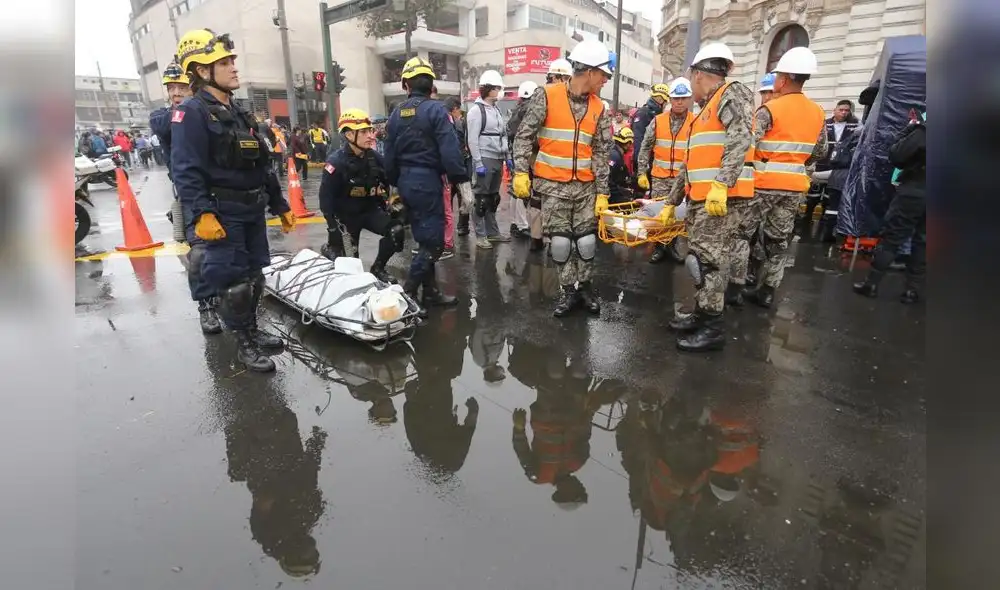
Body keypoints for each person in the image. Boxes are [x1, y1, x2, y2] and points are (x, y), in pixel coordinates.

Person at [171, 28, 296, 373]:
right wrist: (201, 214)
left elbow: (262, 163)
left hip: (251, 209)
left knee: (255, 277)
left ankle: (252, 329)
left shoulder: (239, 113)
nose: (233, 67)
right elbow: (185, 169)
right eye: (224, 63)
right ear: (201, 70)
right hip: (222, 213)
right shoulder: (191, 113)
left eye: (231, 61)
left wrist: (280, 204)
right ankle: (242, 342)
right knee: (234, 283)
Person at [661, 42, 756, 352]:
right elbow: (691, 164)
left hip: (720, 201)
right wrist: (671, 202)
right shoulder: (706, 110)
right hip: (703, 202)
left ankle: (713, 328)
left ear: (699, 74)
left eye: (691, 79)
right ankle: (702, 315)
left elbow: (741, 138)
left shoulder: (731, 93)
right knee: (700, 261)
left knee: (709, 264)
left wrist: (721, 184)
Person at [512, 38, 614, 317]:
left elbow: (601, 153)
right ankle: (568, 292)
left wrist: (603, 192)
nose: (605, 81)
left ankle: (586, 288)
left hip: (586, 188)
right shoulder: (547, 95)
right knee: (560, 243)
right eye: (604, 75)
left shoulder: (600, 108)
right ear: (590, 71)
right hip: (553, 187)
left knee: (586, 242)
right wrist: (521, 172)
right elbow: (523, 137)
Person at [736, 47, 827, 309]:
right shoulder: (818, 112)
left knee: (742, 234)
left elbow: (746, 146)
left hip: (762, 185)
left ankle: (736, 286)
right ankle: (767, 291)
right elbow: (819, 151)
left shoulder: (769, 110)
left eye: (777, 76)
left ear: (784, 79)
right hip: (793, 187)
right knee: (778, 241)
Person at [384, 56, 469, 313]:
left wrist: (394, 184)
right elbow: (450, 149)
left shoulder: (396, 114)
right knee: (434, 244)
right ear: (431, 84)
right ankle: (408, 294)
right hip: (428, 181)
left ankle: (430, 292)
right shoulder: (436, 111)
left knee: (424, 239)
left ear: (406, 85)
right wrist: (462, 181)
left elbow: (389, 154)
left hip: (406, 181)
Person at [149, 60, 223, 333]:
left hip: (223, 190)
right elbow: (164, 125)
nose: (177, 93)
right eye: (172, 88)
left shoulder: (212, 110)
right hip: (191, 193)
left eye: (182, 87)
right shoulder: (165, 116)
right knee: (200, 252)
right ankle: (206, 305)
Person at [317, 108, 404, 284]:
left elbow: (392, 175)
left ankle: (378, 269)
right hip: (346, 218)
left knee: (396, 231)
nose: (371, 135)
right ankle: (332, 250)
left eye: (370, 130)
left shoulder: (374, 157)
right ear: (349, 135)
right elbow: (325, 200)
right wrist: (333, 227)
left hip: (369, 211)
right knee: (352, 271)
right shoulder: (336, 163)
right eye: (364, 132)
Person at [853, 112, 925, 302]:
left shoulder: (923, 131)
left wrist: (909, 130)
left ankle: (872, 284)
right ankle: (912, 291)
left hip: (914, 190)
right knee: (924, 242)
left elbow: (897, 155)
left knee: (892, 238)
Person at [637, 76, 695, 264]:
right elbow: (645, 147)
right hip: (660, 178)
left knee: (676, 215)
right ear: (670, 99)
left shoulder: (695, 122)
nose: (679, 102)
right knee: (659, 214)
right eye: (676, 98)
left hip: (682, 180)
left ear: (689, 99)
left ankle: (672, 247)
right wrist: (641, 172)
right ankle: (660, 247)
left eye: (683, 98)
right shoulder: (657, 121)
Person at [466, 69, 512, 249]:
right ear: (488, 89)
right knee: (481, 199)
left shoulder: (496, 110)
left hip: (498, 158)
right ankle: (480, 235)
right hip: (484, 158)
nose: (499, 91)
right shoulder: (476, 111)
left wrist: (507, 156)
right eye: (497, 88)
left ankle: (493, 233)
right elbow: (472, 139)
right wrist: (478, 162)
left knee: (493, 198)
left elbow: (503, 135)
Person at [505, 80, 539, 240]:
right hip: (528, 153)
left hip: (516, 152)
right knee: (523, 191)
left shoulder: (517, 109)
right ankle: (522, 225)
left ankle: (515, 222)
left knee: (515, 189)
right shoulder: (529, 109)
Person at [444, 98, 473, 237]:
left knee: (450, 198)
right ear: (455, 109)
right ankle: (462, 226)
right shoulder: (456, 123)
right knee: (463, 197)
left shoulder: (453, 122)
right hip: (459, 167)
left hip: (451, 167)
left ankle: (455, 226)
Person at [630, 82, 670, 173]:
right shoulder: (644, 114)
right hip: (645, 166)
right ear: (660, 100)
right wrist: (641, 168)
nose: (666, 105)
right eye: (666, 102)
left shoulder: (654, 115)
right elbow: (638, 141)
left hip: (652, 164)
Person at [609, 127, 635, 204]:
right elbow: (608, 180)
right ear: (627, 143)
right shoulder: (615, 156)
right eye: (630, 143)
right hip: (611, 194)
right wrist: (622, 191)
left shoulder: (616, 153)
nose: (630, 146)